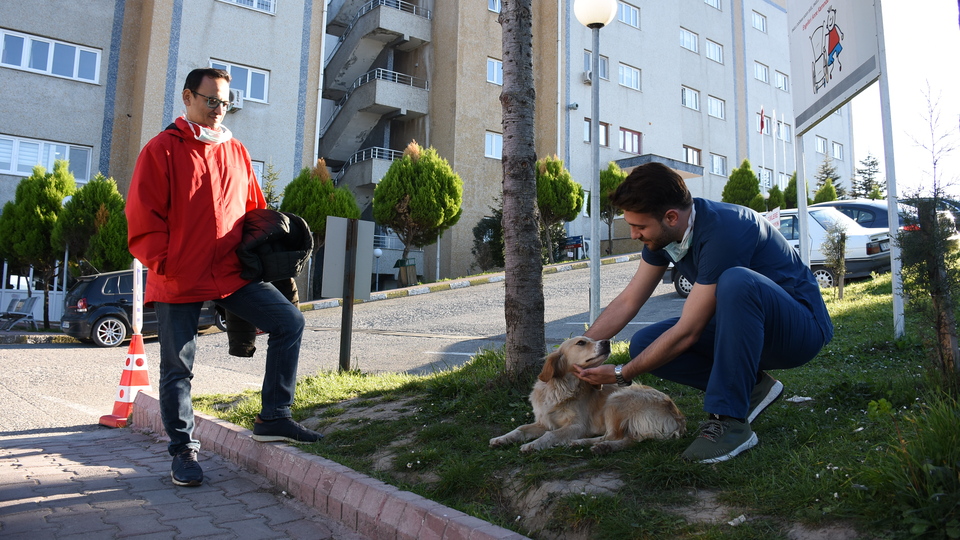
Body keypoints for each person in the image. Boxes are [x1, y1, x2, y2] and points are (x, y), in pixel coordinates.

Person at [126, 68, 322, 487]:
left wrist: (267, 249)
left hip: (231, 273)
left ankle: (274, 416)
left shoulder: (235, 149)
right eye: (210, 100)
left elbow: (254, 208)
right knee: (178, 368)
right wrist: (166, 262)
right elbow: (143, 216)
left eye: (225, 102)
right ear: (187, 98)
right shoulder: (161, 149)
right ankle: (183, 452)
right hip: (178, 276)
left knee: (289, 322)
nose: (219, 109)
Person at [574, 162, 833, 463]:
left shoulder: (726, 230)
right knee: (644, 344)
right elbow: (629, 300)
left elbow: (689, 331)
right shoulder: (665, 235)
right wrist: (576, 352)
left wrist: (622, 373)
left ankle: (730, 421)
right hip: (748, 328)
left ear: (671, 217)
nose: (633, 234)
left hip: (799, 331)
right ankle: (753, 389)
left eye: (640, 227)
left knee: (737, 281)